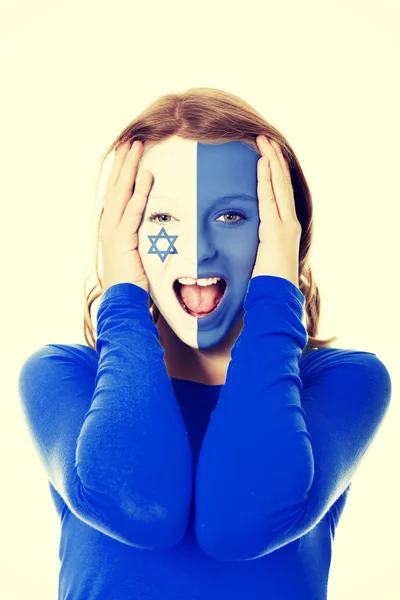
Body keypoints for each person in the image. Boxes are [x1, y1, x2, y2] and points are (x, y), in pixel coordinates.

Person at [18, 87, 392, 600]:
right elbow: (140, 508)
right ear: (120, 235)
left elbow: (244, 524)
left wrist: (276, 294)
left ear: (281, 234)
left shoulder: (343, 381)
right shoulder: (62, 375)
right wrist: (122, 298)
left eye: (232, 216)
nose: (196, 247)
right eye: (162, 218)